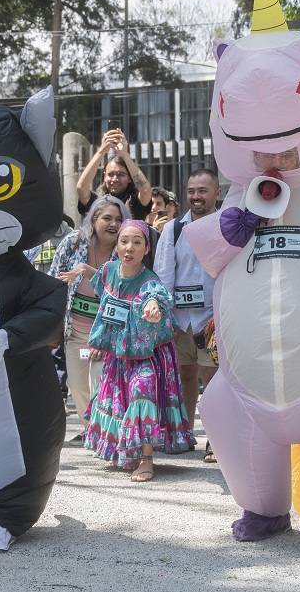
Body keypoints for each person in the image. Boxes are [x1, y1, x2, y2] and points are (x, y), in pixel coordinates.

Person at [84, 219, 195, 482]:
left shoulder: (149, 280)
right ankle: (126, 448)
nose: (129, 248)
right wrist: (81, 269)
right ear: (117, 245)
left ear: (146, 249)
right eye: (124, 241)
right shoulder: (109, 270)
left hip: (150, 354)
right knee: (121, 399)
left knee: (141, 391)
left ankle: (146, 460)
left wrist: (153, 306)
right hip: (120, 354)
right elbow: (102, 290)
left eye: (137, 242)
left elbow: (154, 295)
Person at [154, 169, 222, 462]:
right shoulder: (173, 229)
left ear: (216, 194)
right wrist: (167, 318)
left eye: (203, 190)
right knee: (184, 376)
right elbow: (164, 274)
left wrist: (222, 314)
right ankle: (184, 433)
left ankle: (216, 440)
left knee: (214, 379)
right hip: (180, 319)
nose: (196, 196)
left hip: (212, 318)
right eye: (192, 190)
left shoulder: (227, 226)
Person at [49, 195, 126, 438]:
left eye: (118, 219)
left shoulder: (124, 250)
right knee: (77, 385)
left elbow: (122, 289)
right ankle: (91, 431)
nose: (113, 224)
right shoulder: (73, 242)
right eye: (107, 218)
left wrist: (86, 270)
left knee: (99, 382)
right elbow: (54, 279)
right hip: (76, 335)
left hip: (106, 336)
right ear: (93, 220)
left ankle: (106, 436)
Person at [76, 128, 153, 222]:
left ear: (130, 178)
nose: (115, 179)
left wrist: (125, 155)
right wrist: (102, 151)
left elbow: (145, 190)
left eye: (121, 174)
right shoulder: (96, 201)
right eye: (110, 174)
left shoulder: (136, 202)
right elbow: (81, 187)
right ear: (104, 177)